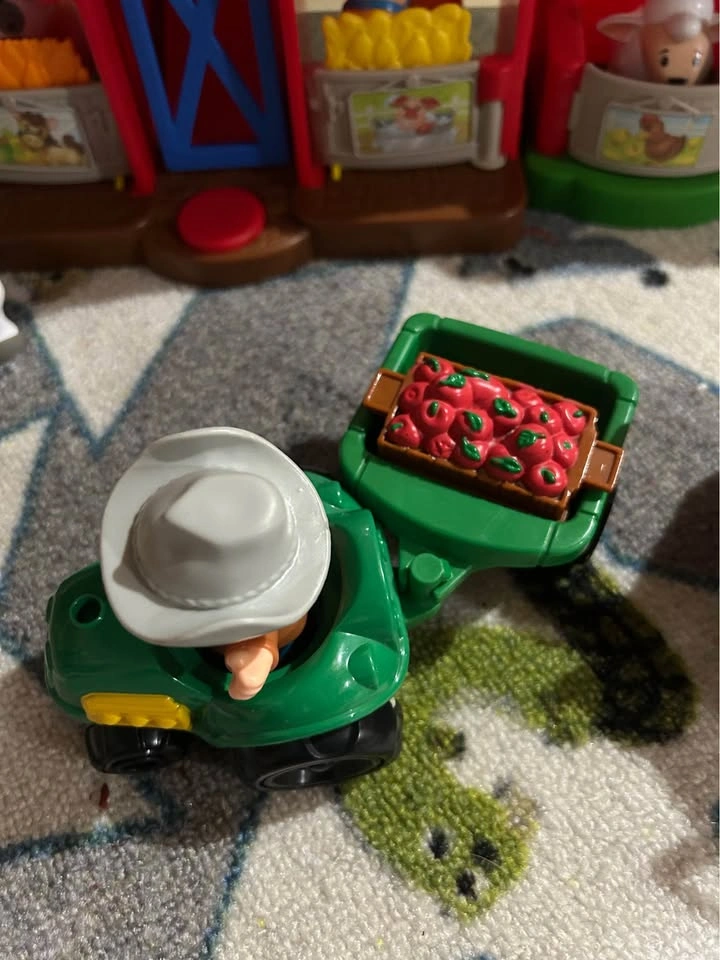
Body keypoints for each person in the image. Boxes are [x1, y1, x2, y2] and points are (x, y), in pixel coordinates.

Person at [100, 427, 331, 700]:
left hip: (275, 641)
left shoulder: (256, 634)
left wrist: (251, 668)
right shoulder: (183, 520)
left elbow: (257, 657)